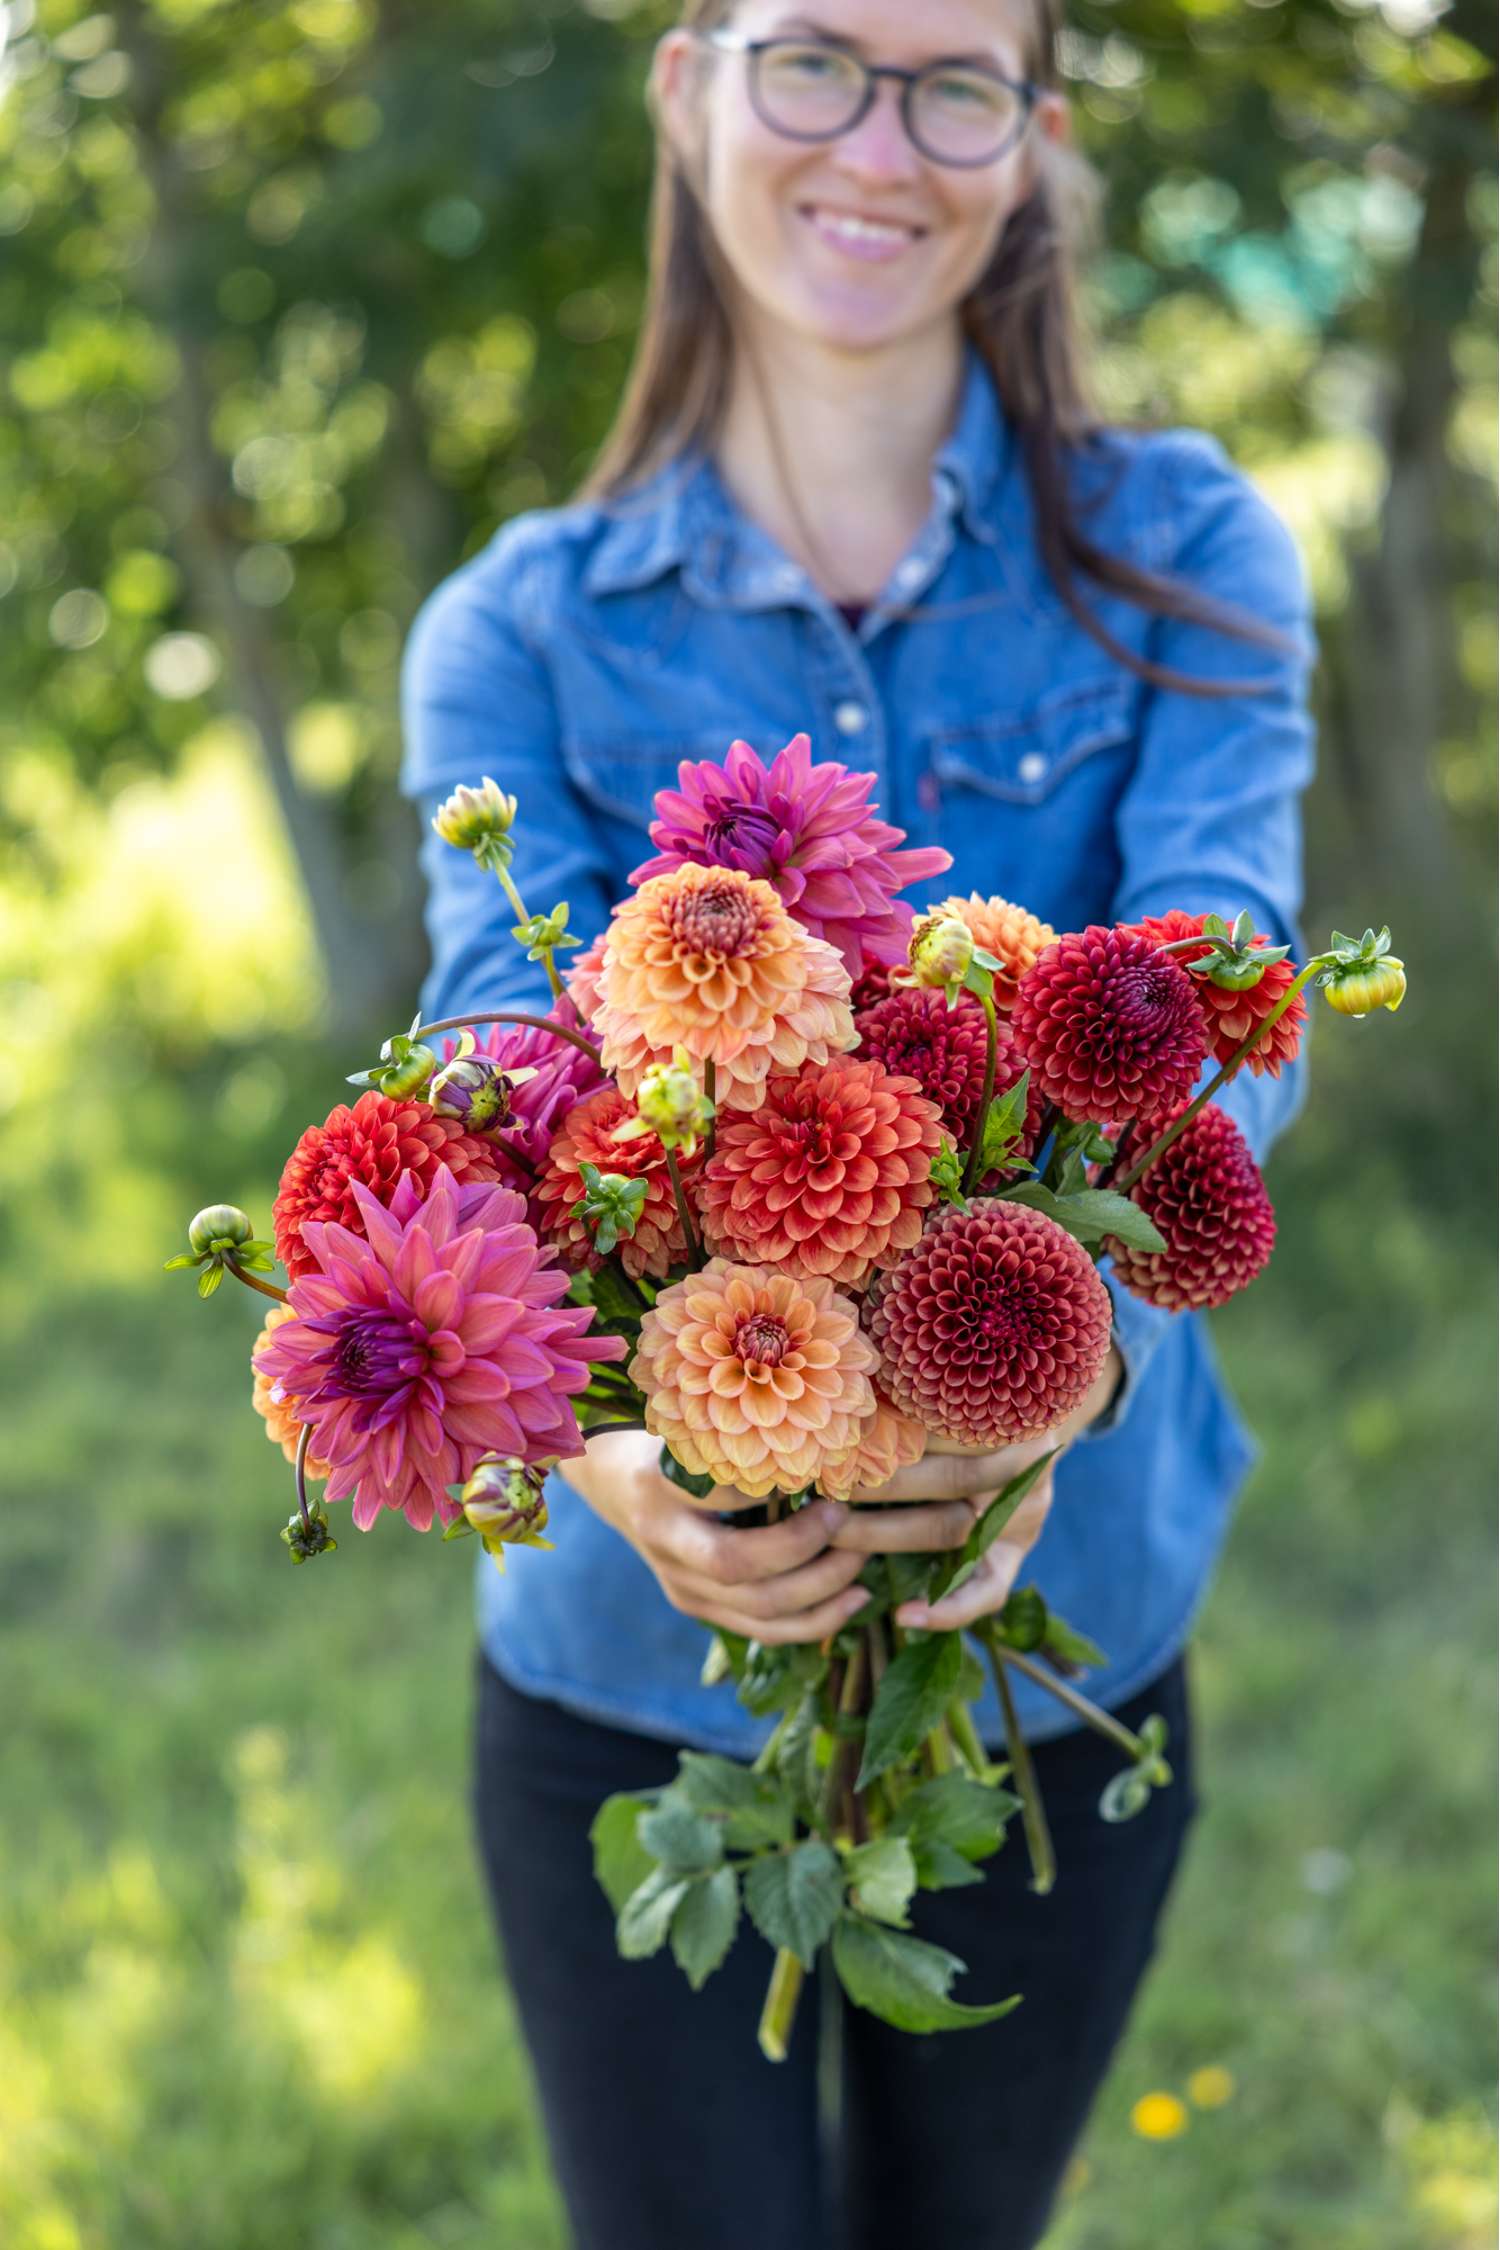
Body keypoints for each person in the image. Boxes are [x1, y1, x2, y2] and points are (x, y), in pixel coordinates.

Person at [400, 2, 1315, 2243]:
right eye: (818, 58)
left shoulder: (1187, 556)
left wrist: (1023, 1370)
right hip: (635, 1680)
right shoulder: (516, 630)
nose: (878, 145)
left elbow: (1235, 1019)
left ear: (1034, 138)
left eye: (954, 83)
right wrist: (608, 1440)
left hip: (1069, 1622)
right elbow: (488, 1064)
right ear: (691, 79)